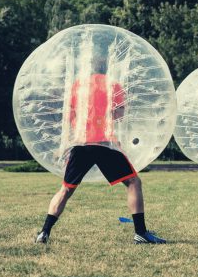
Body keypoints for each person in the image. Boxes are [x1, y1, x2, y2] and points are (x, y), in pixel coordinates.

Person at [35, 55, 165, 244]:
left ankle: (44, 232)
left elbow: (71, 115)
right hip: (104, 143)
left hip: (81, 144)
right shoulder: (113, 85)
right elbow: (119, 114)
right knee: (133, 182)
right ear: (106, 67)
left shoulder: (78, 85)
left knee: (66, 189)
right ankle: (140, 232)